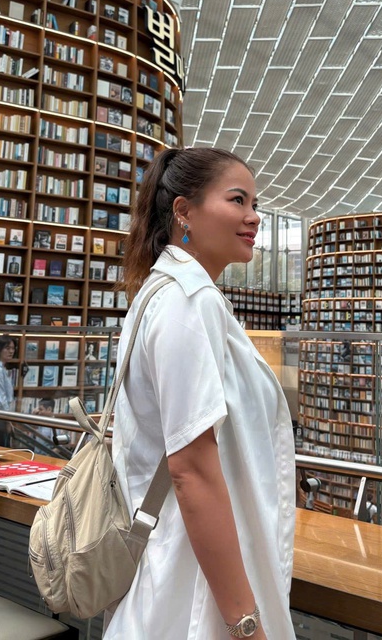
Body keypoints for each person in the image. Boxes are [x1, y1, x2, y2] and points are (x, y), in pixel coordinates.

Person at [105, 147, 295, 640]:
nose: (254, 218)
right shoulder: (189, 302)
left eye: (255, 203)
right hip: (192, 590)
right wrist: (246, 624)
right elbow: (191, 470)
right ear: (184, 211)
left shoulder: (159, 294)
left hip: (177, 566)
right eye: (238, 200)